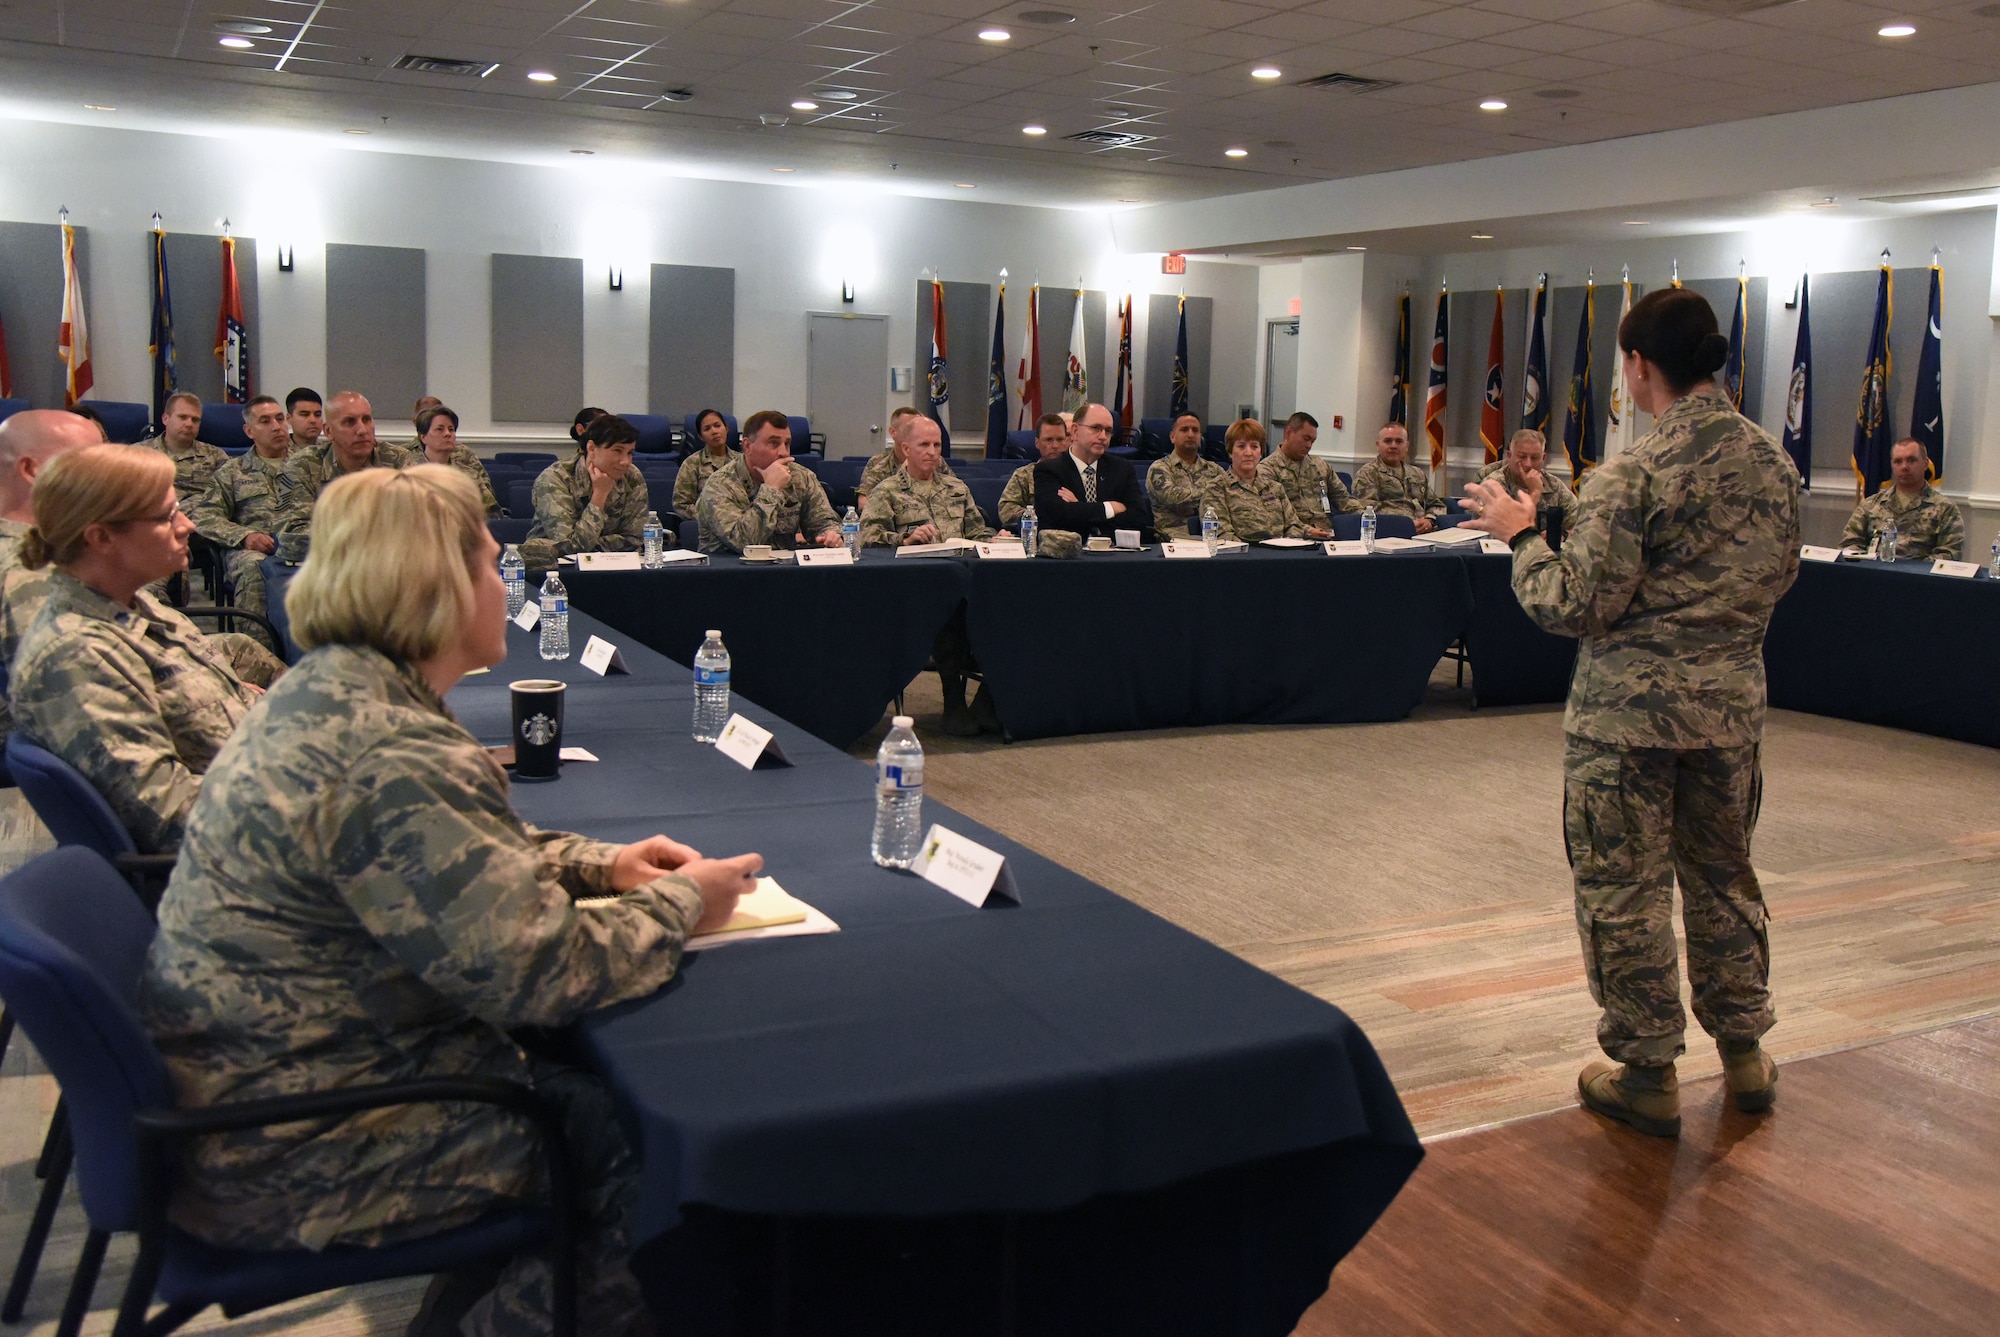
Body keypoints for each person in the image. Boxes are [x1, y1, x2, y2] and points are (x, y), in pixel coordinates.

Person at [136, 463, 763, 1337]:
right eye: (486, 561)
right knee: (669, 1175)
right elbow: (544, 972)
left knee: (599, 1094)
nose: (501, 579)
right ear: (434, 588)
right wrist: (684, 903)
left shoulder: (334, 693)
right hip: (307, 1140)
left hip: (274, 1086)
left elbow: (456, 855)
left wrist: (602, 864)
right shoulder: (393, 750)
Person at [1459, 287, 1800, 1140]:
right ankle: (1746, 1051)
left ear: (1638, 366)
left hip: (1627, 729)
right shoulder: (1775, 465)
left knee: (1626, 892)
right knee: (1725, 879)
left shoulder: (1637, 472)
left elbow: (1574, 604)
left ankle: (1647, 1071)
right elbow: (1770, 577)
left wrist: (1520, 535)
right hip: (1728, 720)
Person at [9, 444, 267, 853]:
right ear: (102, 537)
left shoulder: (133, 604)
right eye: (167, 517)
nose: (187, 526)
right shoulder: (78, 656)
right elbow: (172, 818)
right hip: (241, 865)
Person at [0, 409, 105, 747]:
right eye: (91, 461)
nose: (109, 475)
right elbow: (76, 698)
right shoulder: (29, 568)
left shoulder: (44, 545)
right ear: (32, 471)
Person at [192, 395, 300, 640]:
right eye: (265, 421)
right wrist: (245, 536)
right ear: (249, 431)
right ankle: (259, 655)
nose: (276, 426)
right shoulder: (232, 472)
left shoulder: (311, 464)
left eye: (279, 418)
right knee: (255, 568)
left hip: (304, 545)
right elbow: (204, 516)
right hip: (255, 550)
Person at [696, 409, 843, 554]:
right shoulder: (719, 485)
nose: (784, 452)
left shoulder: (801, 477)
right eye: (774, 443)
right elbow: (745, 544)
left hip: (782, 571)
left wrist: (830, 534)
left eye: (787, 444)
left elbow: (823, 521)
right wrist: (771, 489)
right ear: (747, 446)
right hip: (730, 573)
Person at [523, 413, 649, 566]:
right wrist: (599, 495)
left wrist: (592, 546)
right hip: (554, 569)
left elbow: (634, 539)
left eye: (630, 453)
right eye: (617, 451)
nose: (626, 462)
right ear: (591, 448)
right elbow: (571, 547)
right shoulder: (555, 479)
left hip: (616, 567)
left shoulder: (632, 476)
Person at [283, 391, 412, 530]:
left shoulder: (397, 460)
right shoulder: (303, 465)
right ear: (328, 431)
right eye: (350, 422)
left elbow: (416, 520)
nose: (362, 430)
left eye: (367, 419)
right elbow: (292, 535)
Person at [860, 417, 993, 548]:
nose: (932, 452)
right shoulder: (886, 491)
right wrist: (905, 540)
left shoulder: (957, 488)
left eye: (937, 445)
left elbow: (976, 532)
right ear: (906, 449)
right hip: (915, 566)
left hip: (957, 564)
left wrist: (995, 540)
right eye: (924, 445)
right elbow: (867, 537)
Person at [1032, 402, 1153, 541]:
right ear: (1075, 431)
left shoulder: (1122, 469)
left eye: (1108, 431)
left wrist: (1079, 508)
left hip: (1113, 554)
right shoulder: (1049, 469)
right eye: (1096, 428)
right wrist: (1109, 508)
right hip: (1068, 555)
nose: (1103, 436)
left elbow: (1139, 517)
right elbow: (1056, 517)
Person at [1840, 437, 1964, 560]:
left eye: (1911, 460)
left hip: (1920, 577)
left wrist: (1912, 571)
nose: (1904, 467)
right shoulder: (1871, 505)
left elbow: (1950, 554)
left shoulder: (1945, 509)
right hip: (1875, 575)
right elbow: (1849, 545)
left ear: (1925, 464)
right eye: (1898, 461)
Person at [1462, 429, 1579, 539]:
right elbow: (1496, 534)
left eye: (1535, 458)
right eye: (1522, 457)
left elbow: (1583, 524)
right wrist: (1534, 494)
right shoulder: (1493, 485)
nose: (1528, 464)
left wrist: (1561, 534)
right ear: (1509, 456)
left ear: (1543, 458)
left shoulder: (1553, 485)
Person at [1210, 419, 1309, 542]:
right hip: (1243, 555)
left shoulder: (1275, 487)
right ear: (1230, 452)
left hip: (1281, 554)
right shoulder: (1217, 488)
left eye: (1254, 446)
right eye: (1241, 446)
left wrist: (1289, 543)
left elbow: (1294, 525)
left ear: (1261, 452)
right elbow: (1222, 534)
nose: (1248, 453)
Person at [1258, 411, 1354, 533]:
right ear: (1288, 433)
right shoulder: (1267, 470)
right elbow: (1276, 516)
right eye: (1306, 438)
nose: (1309, 445)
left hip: (1326, 532)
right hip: (1294, 535)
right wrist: (1308, 531)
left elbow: (1343, 499)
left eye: (1312, 441)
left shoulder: (1320, 466)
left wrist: (1366, 516)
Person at [1146, 412, 1226, 542]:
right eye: (1184, 430)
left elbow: (1228, 494)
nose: (1190, 434)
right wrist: (1212, 493)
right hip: (1173, 539)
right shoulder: (1159, 469)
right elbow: (1175, 498)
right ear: (1172, 437)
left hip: (1213, 536)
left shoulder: (1214, 469)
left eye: (1195, 430)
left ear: (1200, 437)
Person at [1352, 422, 1445, 533]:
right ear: (1378, 445)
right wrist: (1406, 524)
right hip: (1390, 533)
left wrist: (1430, 520)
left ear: (1406, 446)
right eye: (1388, 441)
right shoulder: (1368, 473)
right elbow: (1366, 511)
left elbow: (1437, 505)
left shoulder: (1417, 473)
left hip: (1424, 532)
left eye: (1399, 441)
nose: (1393, 446)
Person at [151, 390, 232, 517]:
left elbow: (231, 494)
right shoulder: (138, 454)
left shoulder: (215, 456)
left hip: (204, 523)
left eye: (195, 420)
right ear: (165, 419)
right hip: (155, 521)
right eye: (182, 417)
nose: (189, 424)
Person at [857, 407, 955, 511]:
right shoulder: (878, 463)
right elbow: (864, 503)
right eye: (909, 427)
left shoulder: (936, 461)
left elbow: (956, 495)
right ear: (893, 432)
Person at [415, 405, 501, 517]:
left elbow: (492, 515)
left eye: (451, 429)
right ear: (423, 437)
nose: (447, 434)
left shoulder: (471, 476)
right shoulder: (409, 475)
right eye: (439, 429)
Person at [1000, 413, 1069, 529]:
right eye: (1049, 440)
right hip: (1035, 535)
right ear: (1037, 443)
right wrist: (1039, 516)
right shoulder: (1023, 475)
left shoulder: (1078, 473)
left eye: (1060, 439)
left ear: (1067, 441)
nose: (1055, 445)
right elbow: (1006, 510)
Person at [672, 408, 739, 516]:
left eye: (717, 426)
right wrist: (710, 519)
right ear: (701, 437)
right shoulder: (692, 464)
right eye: (707, 429)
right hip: (705, 527)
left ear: (726, 429)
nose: (714, 431)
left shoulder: (741, 462)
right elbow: (681, 505)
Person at [284, 387, 325, 452]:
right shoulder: (278, 451)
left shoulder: (331, 450)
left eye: (317, 415)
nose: (313, 420)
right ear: (289, 418)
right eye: (305, 414)